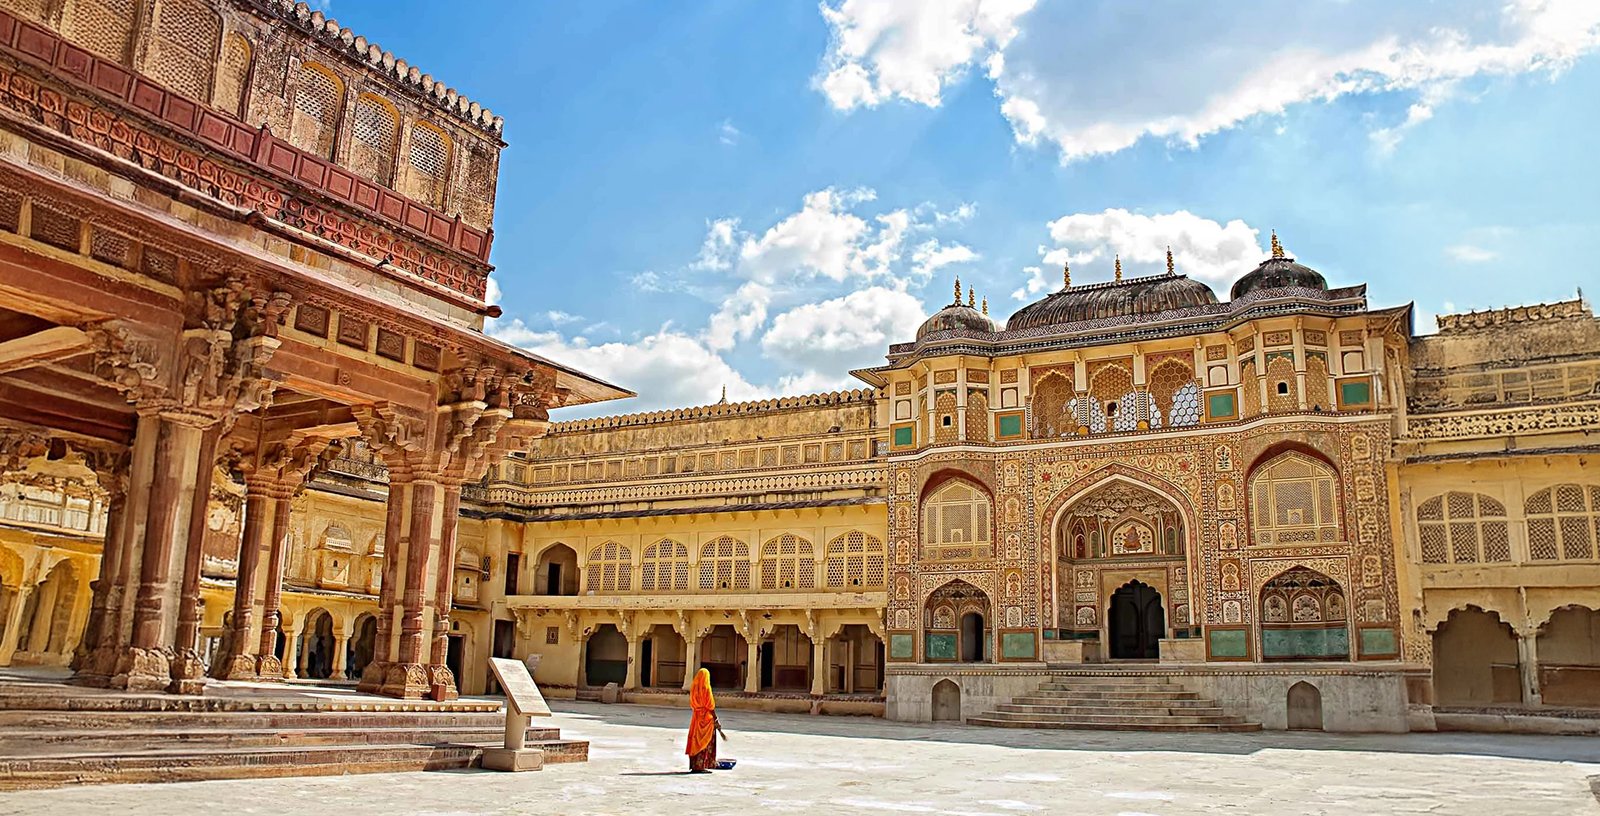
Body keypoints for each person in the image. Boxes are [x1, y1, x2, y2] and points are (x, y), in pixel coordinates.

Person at [686, 668, 718, 772]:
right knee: (705, 742)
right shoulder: (706, 688)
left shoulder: (694, 689)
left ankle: (695, 765)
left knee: (696, 741)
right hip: (706, 719)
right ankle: (702, 765)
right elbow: (710, 706)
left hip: (696, 718)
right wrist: (716, 718)